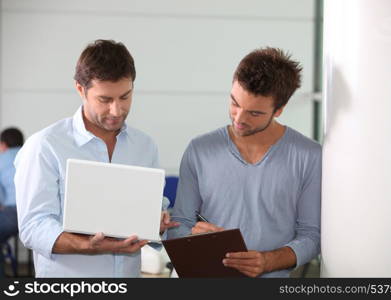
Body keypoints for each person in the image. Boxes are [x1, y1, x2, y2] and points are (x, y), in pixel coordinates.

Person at [14, 39, 178, 277]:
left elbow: (151, 208)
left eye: (125, 97)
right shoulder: (45, 146)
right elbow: (33, 227)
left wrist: (157, 220)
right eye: (105, 100)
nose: (116, 110)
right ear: (80, 89)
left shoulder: (145, 146)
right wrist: (86, 245)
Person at [167, 47, 321, 278]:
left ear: (279, 110)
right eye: (234, 103)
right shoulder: (199, 150)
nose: (239, 118)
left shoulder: (310, 156)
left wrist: (268, 261)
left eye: (254, 113)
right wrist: (191, 237)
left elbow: (312, 236)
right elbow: (179, 224)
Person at [0, 127, 24, 277]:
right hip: (39, 214)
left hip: (13, 213)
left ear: (3, 144)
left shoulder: (2, 159)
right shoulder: (29, 154)